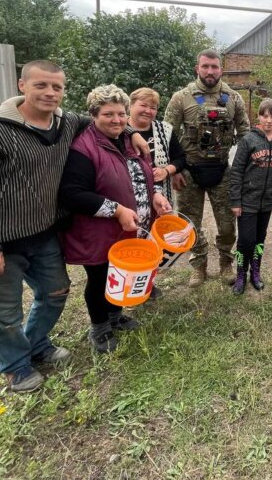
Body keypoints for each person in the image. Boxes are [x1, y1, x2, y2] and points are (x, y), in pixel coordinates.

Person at [0, 60, 147, 392]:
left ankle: (37, 343)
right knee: (5, 312)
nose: (50, 93)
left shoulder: (65, 124)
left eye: (56, 87)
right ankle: (14, 365)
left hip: (43, 234)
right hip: (0, 241)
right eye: (41, 85)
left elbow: (106, 119)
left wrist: (133, 132)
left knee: (55, 293)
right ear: (21, 85)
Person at [59, 85, 172, 353]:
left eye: (121, 114)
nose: (117, 120)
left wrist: (155, 194)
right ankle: (99, 327)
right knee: (100, 278)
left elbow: (140, 175)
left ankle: (115, 316)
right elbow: (72, 194)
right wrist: (117, 210)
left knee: (120, 273)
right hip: (99, 229)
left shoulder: (127, 140)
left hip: (128, 228)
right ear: (94, 115)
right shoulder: (83, 147)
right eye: (108, 114)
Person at [164, 49, 249, 287]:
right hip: (189, 172)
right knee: (190, 224)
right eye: (205, 66)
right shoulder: (181, 98)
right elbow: (167, 135)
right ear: (197, 68)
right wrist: (174, 170)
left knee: (227, 224)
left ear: (221, 69)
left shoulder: (234, 98)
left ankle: (225, 263)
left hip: (222, 171)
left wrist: (244, 171)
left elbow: (245, 136)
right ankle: (198, 265)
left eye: (214, 66)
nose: (210, 71)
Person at [127, 87, 186, 299]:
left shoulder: (164, 129)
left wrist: (167, 170)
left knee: (155, 241)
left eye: (153, 107)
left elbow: (181, 158)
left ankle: (148, 283)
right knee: (132, 242)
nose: (148, 111)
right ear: (131, 106)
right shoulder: (119, 128)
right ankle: (130, 284)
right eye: (143, 105)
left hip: (161, 198)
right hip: (129, 198)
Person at [228, 98, 272, 295]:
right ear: (259, 117)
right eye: (265, 115)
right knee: (245, 241)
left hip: (267, 202)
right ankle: (240, 274)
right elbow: (236, 171)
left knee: (260, 240)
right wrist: (235, 200)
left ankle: (256, 271)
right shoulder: (248, 140)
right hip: (247, 201)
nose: (269, 120)